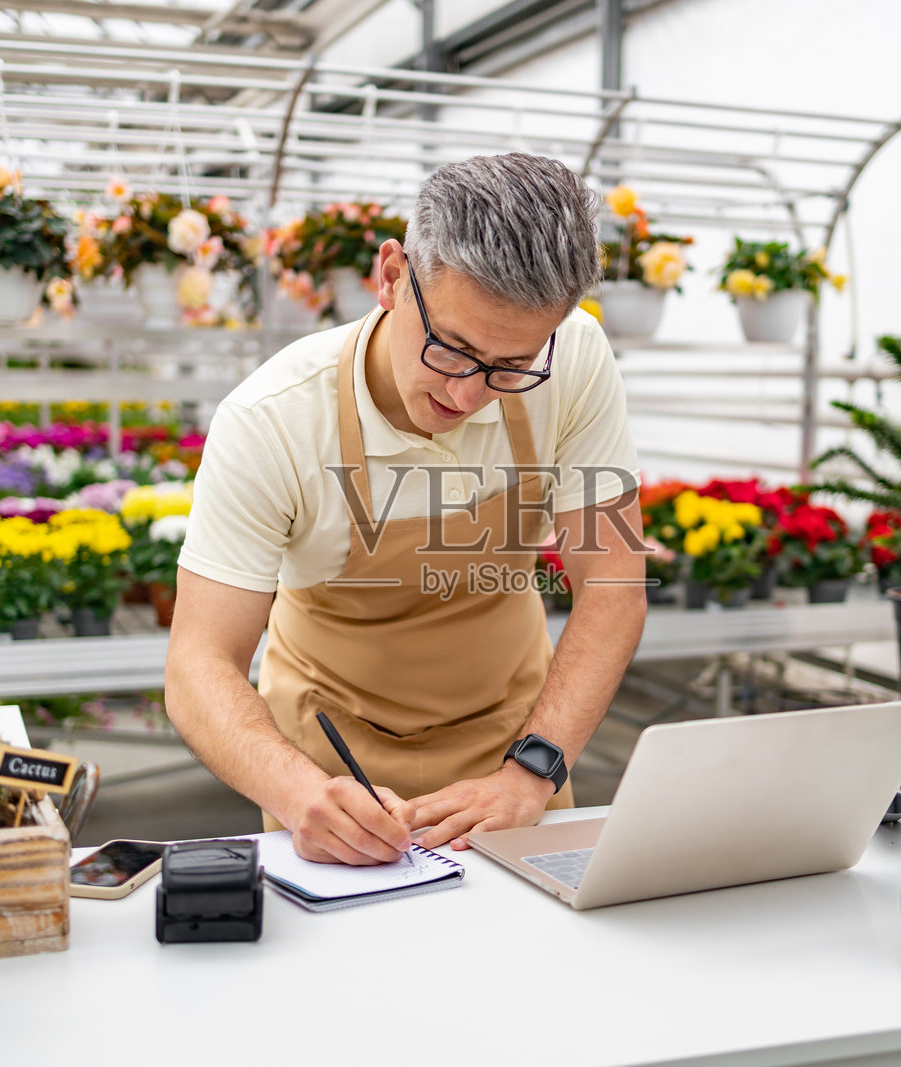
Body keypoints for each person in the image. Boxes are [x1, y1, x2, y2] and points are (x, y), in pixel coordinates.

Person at [166, 153, 646, 866]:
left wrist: (532, 770)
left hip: (516, 745)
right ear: (391, 275)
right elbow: (198, 661)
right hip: (332, 760)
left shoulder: (573, 358)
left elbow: (613, 583)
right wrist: (300, 791)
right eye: (452, 348)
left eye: (512, 366)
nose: (468, 395)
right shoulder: (272, 420)